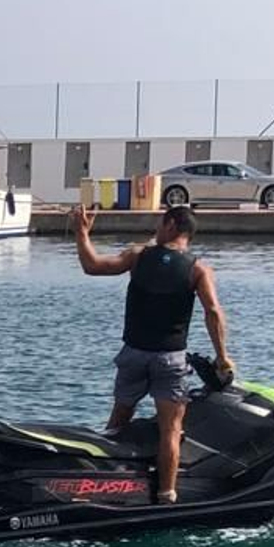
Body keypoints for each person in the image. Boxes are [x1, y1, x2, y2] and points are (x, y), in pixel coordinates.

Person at [70, 204, 234, 504]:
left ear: (171, 225)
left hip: (133, 353)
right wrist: (222, 356)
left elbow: (92, 266)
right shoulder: (198, 269)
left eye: (160, 224)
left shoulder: (138, 256)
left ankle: (104, 486)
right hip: (170, 358)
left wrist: (81, 233)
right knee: (170, 429)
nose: (156, 230)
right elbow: (213, 311)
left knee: (118, 421)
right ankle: (166, 495)